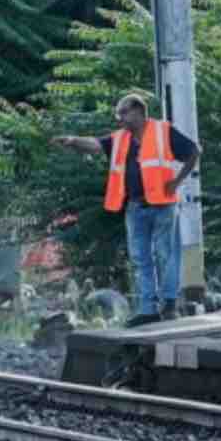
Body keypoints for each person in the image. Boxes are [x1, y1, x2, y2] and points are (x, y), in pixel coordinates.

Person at [51, 93, 200, 326]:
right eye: (118, 114)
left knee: (166, 255)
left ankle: (169, 304)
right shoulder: (121, 139)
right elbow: (96, 144)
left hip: (163, 204)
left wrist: (177, 181)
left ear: (139, 111)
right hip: (135, 206)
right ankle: (148, 309)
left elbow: (193, 151)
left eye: (123, 113)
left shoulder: (163, 131)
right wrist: (73, 140)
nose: (120, 119)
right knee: (140, 259)